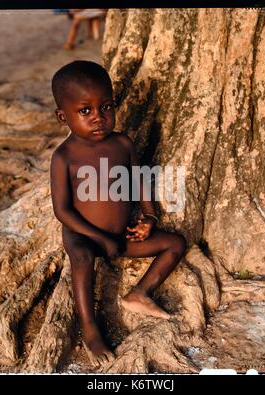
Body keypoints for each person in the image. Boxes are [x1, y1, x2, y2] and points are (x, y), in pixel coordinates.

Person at [50, 60, 187, 367]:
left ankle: (139, 293)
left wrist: (149, 219)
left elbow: (138, 182)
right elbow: (62, 211)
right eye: (85, 111)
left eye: (106, 107)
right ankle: (89, 328)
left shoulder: (122, 143)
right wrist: (98, 237)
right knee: (83, 259)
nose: (99, 118)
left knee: (175, 243)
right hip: (84, 237)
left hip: (119, 236)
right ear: (63, 116)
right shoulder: (63, 157)